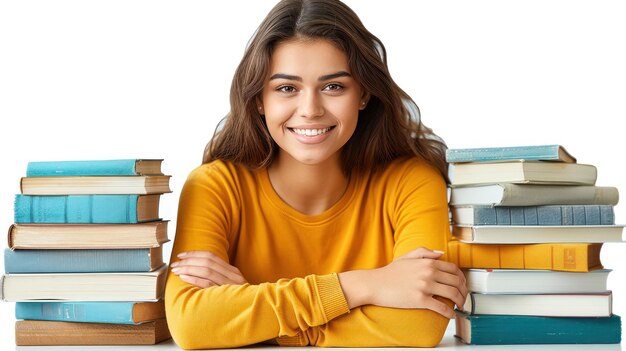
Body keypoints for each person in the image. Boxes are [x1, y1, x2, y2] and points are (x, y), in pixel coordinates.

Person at [165, 0, 467, 348]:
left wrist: (248, 314)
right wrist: (364, 285)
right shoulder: (215, 186)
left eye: (333, 86)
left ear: (364, 94)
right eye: (286, 88)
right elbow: (192, 325)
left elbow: (420, 325)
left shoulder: (410, 182)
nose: (310, 110)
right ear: (259, 99)